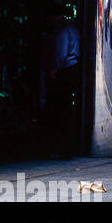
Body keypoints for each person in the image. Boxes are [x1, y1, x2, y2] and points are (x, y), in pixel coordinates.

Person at [42, 11, 81, 158]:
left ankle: (60, 148)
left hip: (64, 71)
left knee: (59, 110)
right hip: (71, 68)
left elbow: (61, 53)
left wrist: (54, 70)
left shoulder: (62, 30)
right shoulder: (73, 28)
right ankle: (66, 147)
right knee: (65, 109)